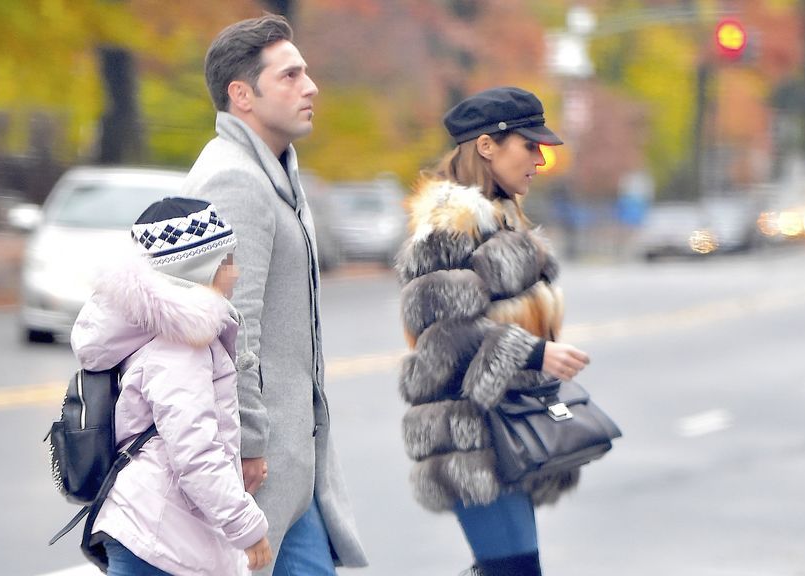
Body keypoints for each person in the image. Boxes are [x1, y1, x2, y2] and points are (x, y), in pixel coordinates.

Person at [179, 14, 368, 576]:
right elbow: (228, 325)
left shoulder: (273, 173)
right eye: (289, 76)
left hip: (288, 468)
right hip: (256, 469)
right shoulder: (234, 179)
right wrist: (249, 442)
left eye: (305, 73)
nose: (310, 87)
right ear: (243, 95)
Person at [394, 86, 592, 575]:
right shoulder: (451, 224)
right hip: (472, 438)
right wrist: (532, 353)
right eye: (530, 145)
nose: (541, 160)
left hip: (507, 428)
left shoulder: (502, 220)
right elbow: (441, 340)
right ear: (487, 146)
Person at [71, 197, 272, 575]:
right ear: (200, 268)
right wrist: (247, 527)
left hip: (152, 526)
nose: (237, 271)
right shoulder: (181, 346)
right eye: (228, 259)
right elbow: (195, 452)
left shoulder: (161, 336)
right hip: (156, 535)